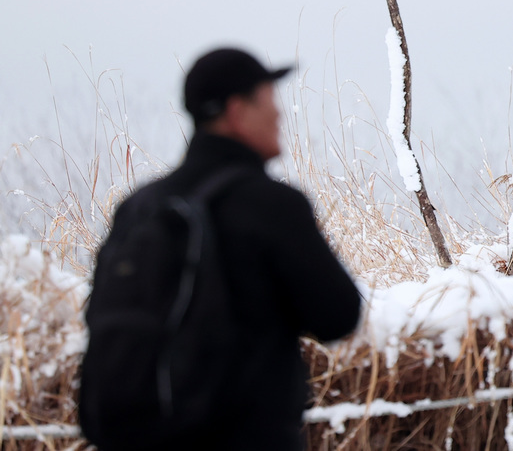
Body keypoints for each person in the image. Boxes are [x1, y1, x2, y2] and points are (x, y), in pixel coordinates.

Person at [81, 48, 362, 450]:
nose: (279, 115)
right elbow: (339, 315)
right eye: (268, 100)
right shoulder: (271, 204)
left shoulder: (139, 206)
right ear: (236, 111)